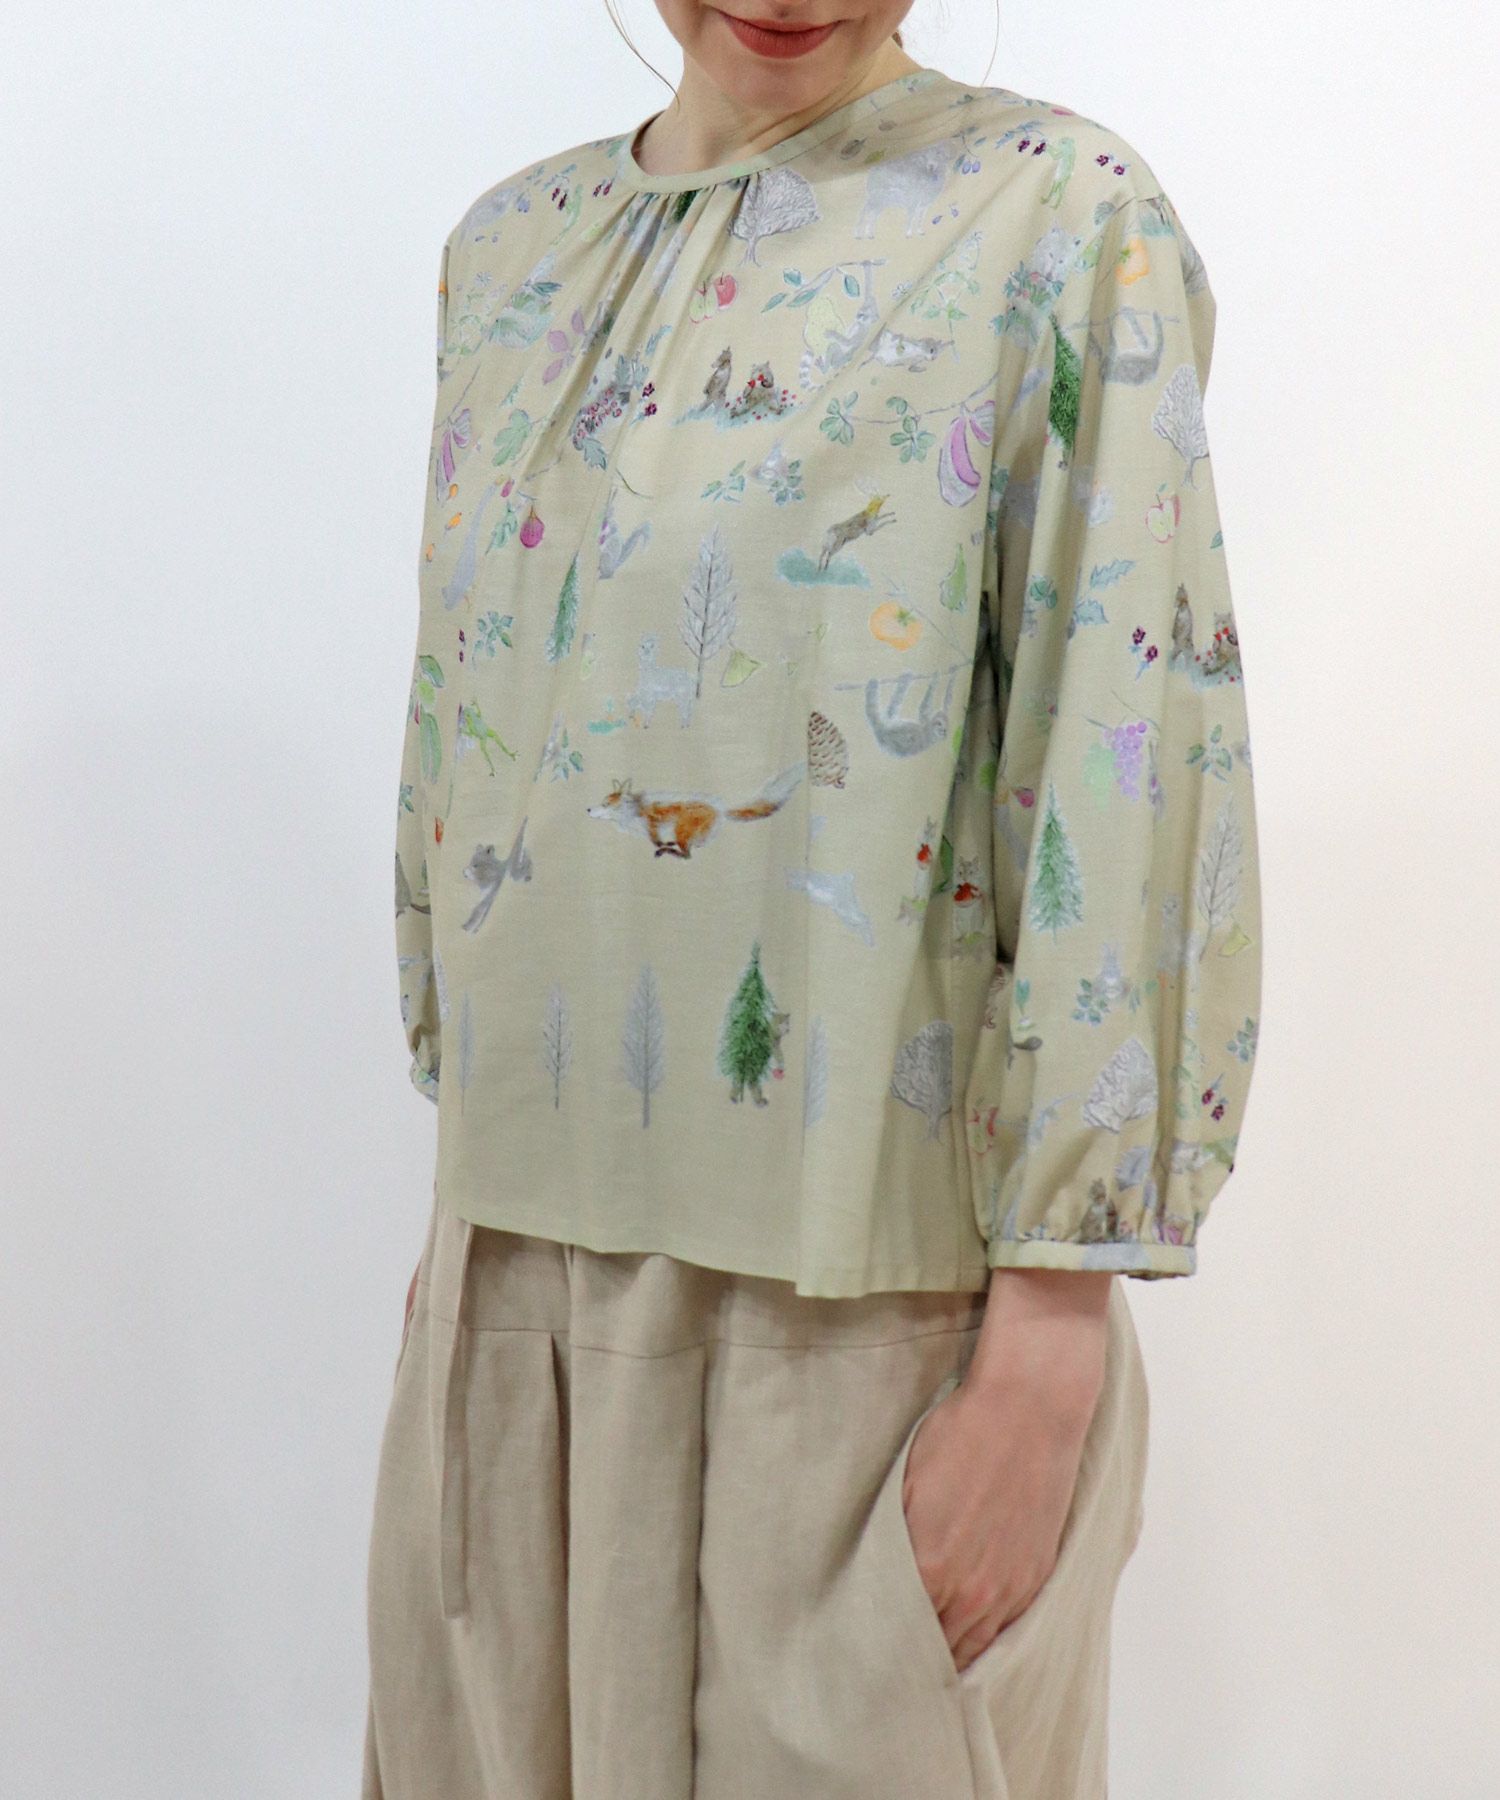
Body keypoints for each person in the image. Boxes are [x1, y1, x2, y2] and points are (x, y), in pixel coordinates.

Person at [363, 5, 1263, 1795]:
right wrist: (464, 1283)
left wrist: (1049, 1347)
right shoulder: (511, 254)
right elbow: (464, 744)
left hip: (870, 1322)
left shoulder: (1054, 214)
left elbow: (1125, 739)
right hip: (508, 1308)